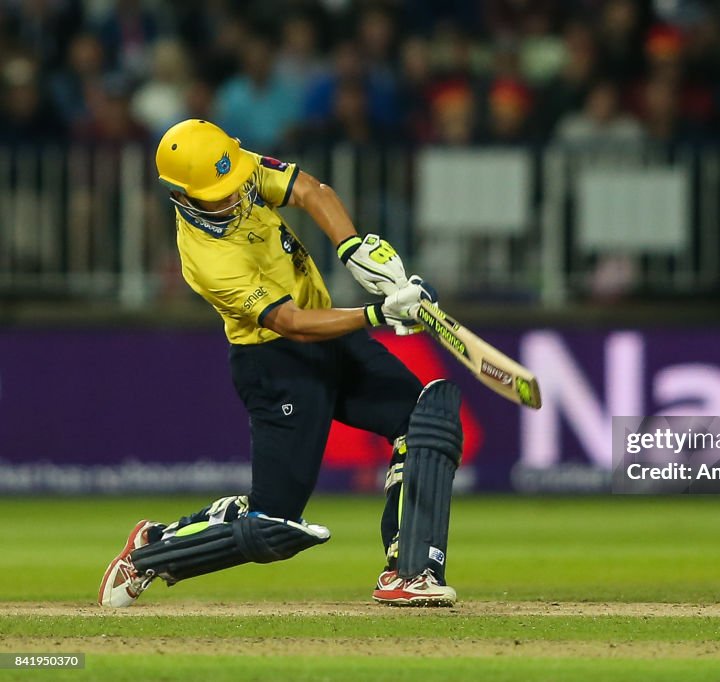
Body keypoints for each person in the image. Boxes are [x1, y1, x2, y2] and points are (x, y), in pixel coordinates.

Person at [98, 119, 463, 608]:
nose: (233, 198)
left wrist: (353, 247)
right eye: (218, 195)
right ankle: (152, 551)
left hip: (330, 343)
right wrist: (377, 312)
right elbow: (290, 322)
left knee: (424, 421)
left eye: (232, 187)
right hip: (276, 365)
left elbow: (311, 190)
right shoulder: (207, 258)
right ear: (181, 196)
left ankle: (409, 572)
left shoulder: (229, 167)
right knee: (272, 524)